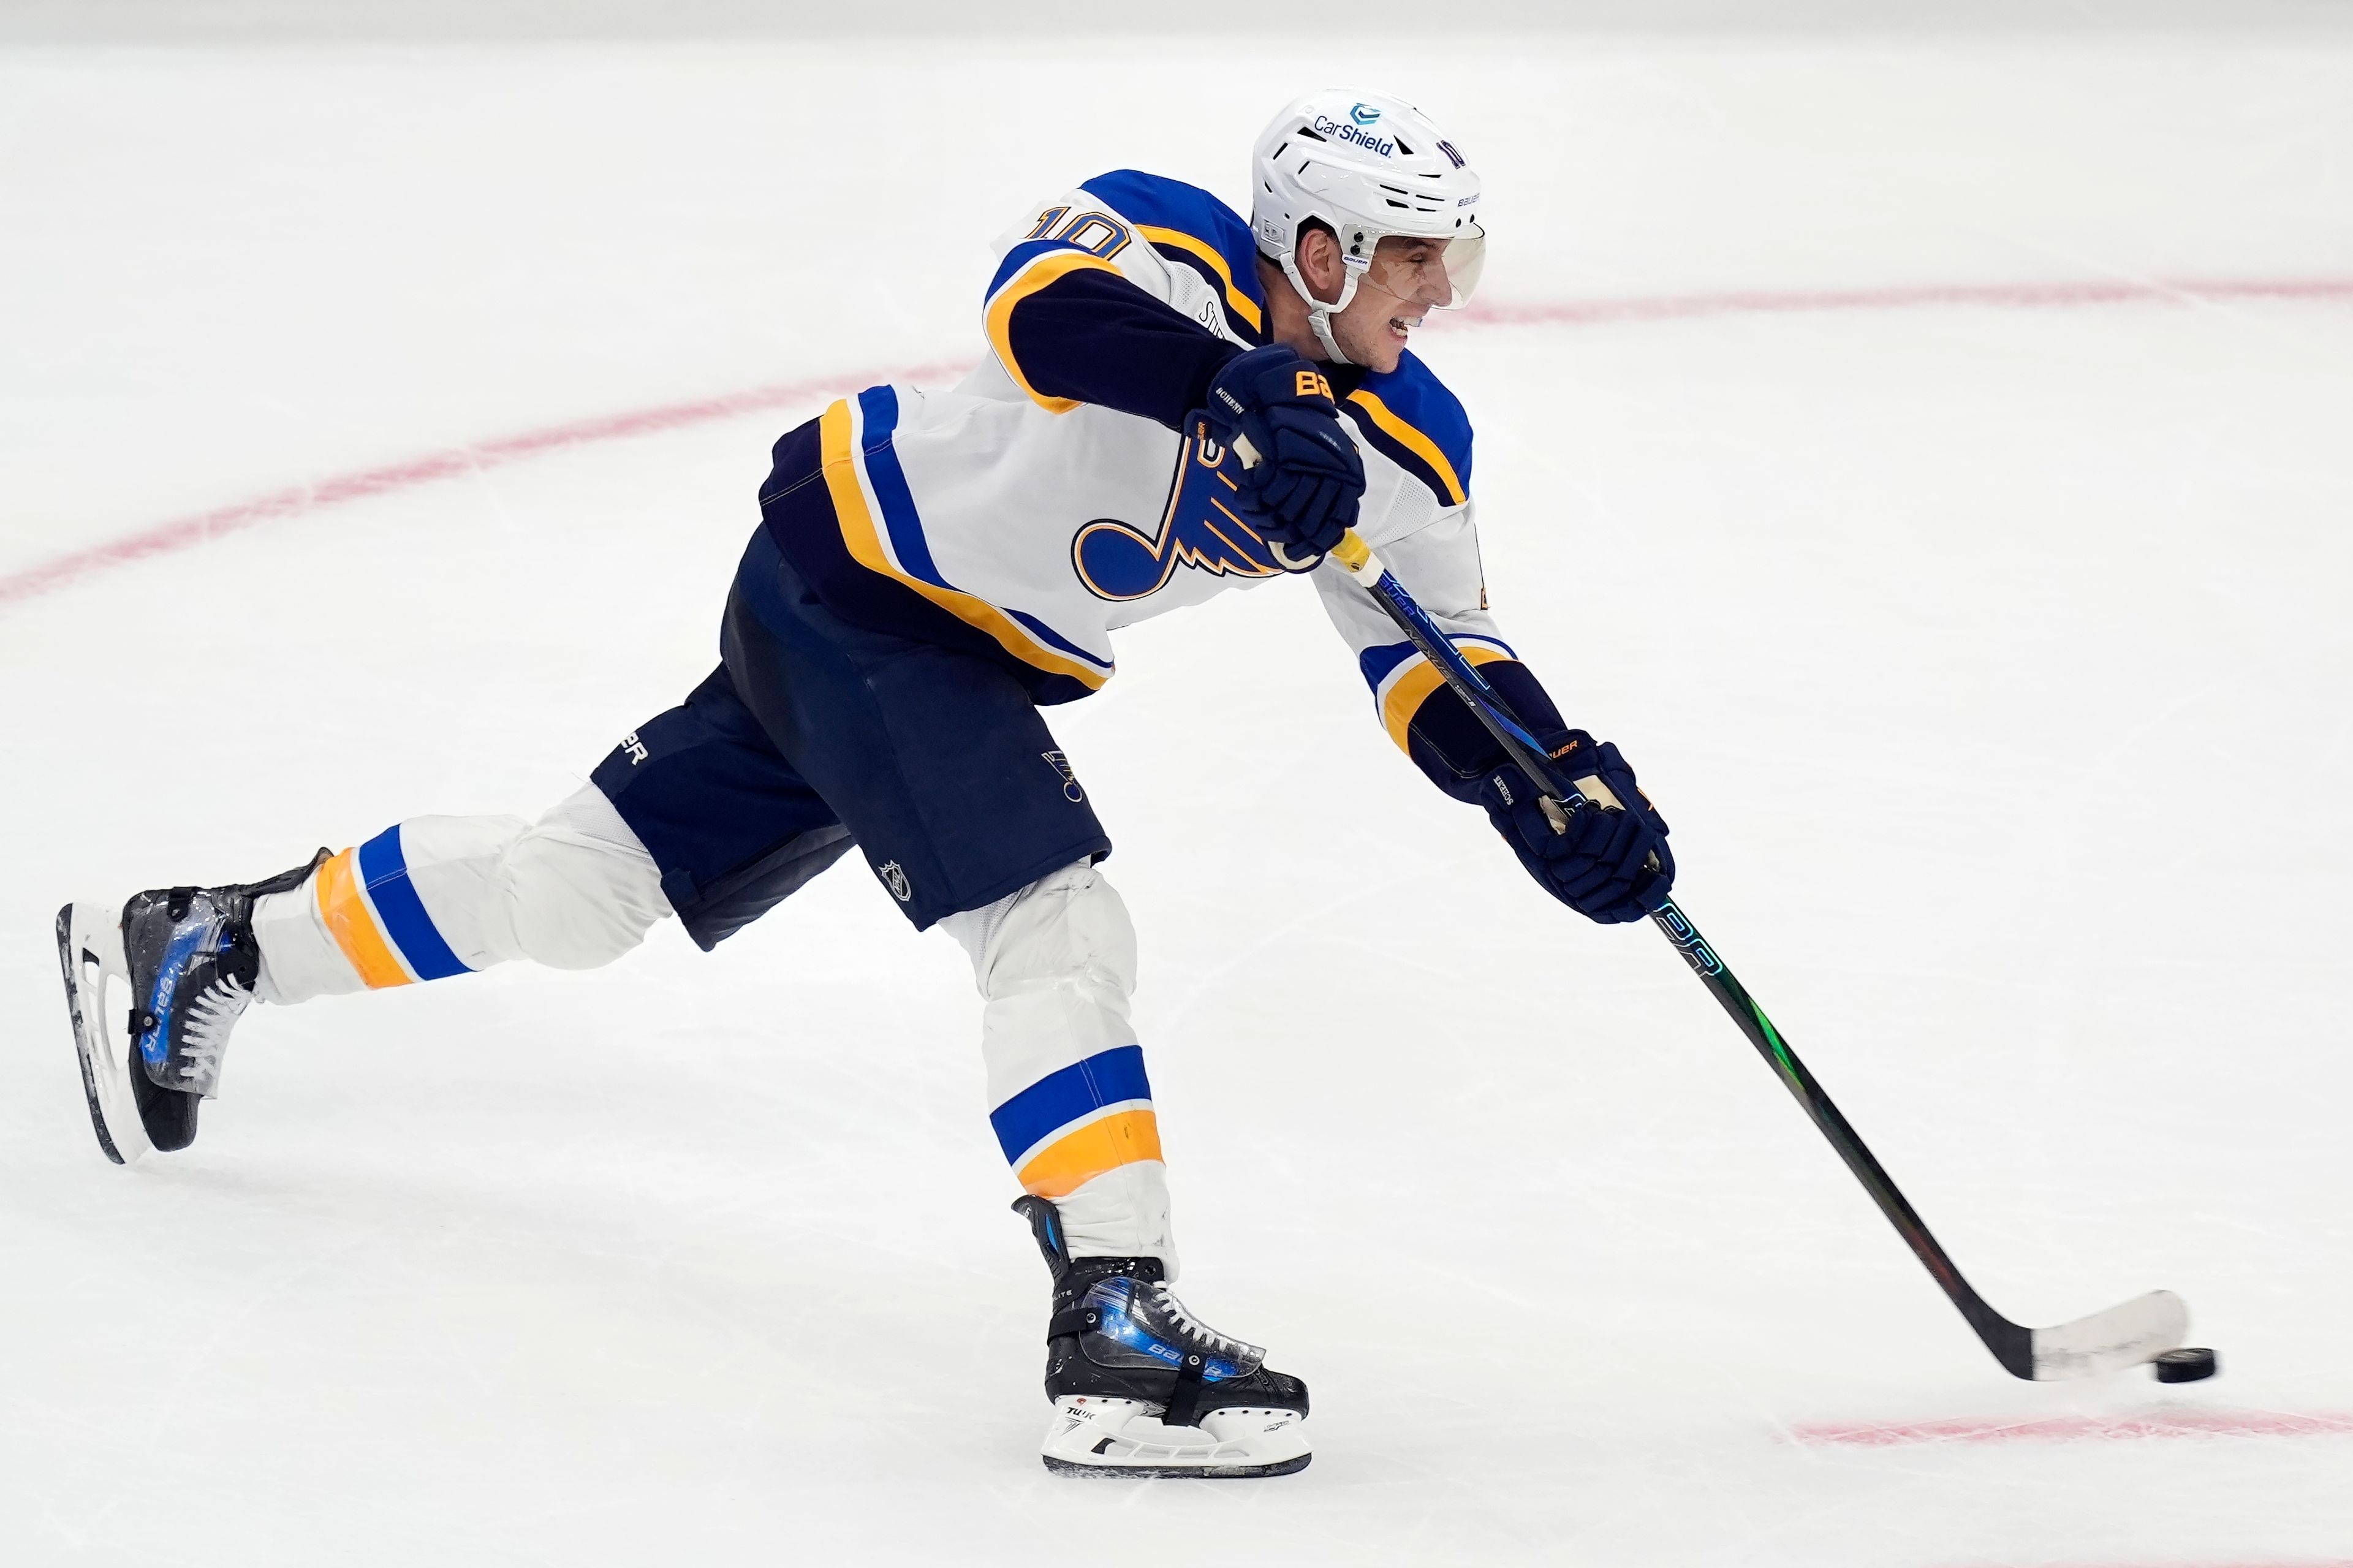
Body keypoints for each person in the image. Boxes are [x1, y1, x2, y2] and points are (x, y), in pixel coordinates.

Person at [55, 88, 1672, 1479]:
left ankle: (216, 940)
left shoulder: (1410, 437)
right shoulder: (1168, 242)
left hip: (914, 648)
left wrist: (1547, 783)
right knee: (1055, 924)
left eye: (1446, 255)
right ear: (1315, 249)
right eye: (1410, 256)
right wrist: (1229, 393)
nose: (1439, 290)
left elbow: (1431, 650)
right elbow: (1039, 310)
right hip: (864, 587)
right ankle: (1111, 1317)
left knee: (578, 894)